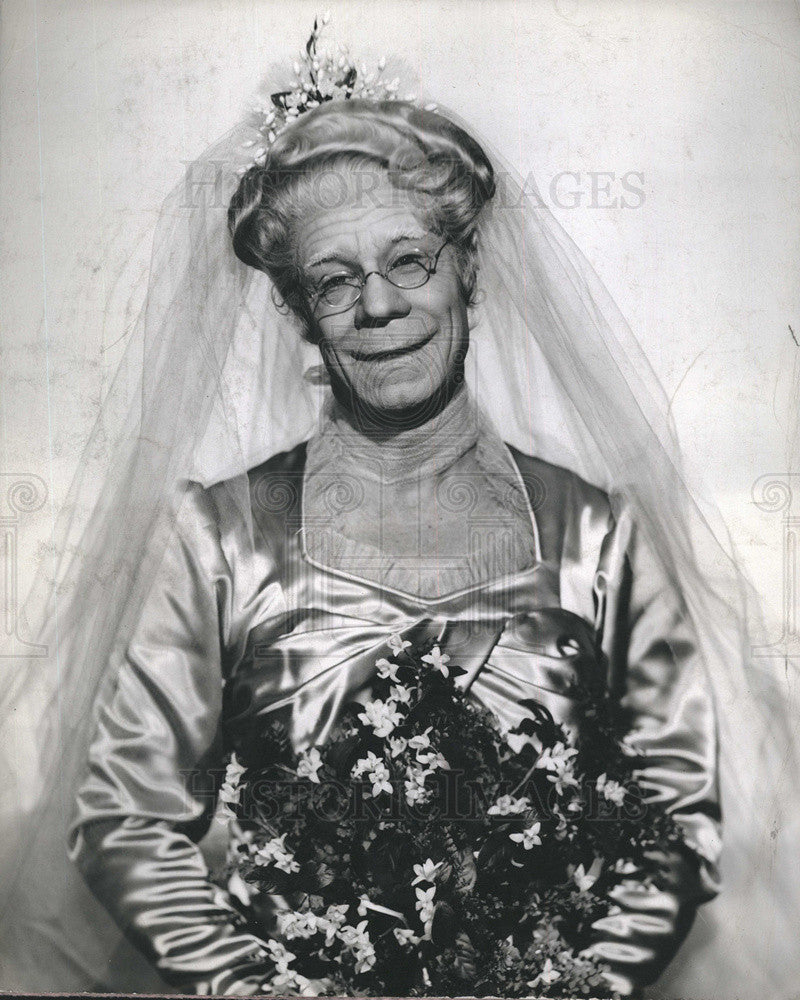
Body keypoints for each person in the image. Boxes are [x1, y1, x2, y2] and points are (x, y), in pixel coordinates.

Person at [0, 49, 797, 1000]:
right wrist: (259, 990)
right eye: (334, 282)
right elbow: (125, 815)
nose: (378, 305)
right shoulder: (217, 538)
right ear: (302, 316)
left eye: (408, 261)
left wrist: (575, 986)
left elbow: (674, 816)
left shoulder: (598, 537)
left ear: (467, 272)